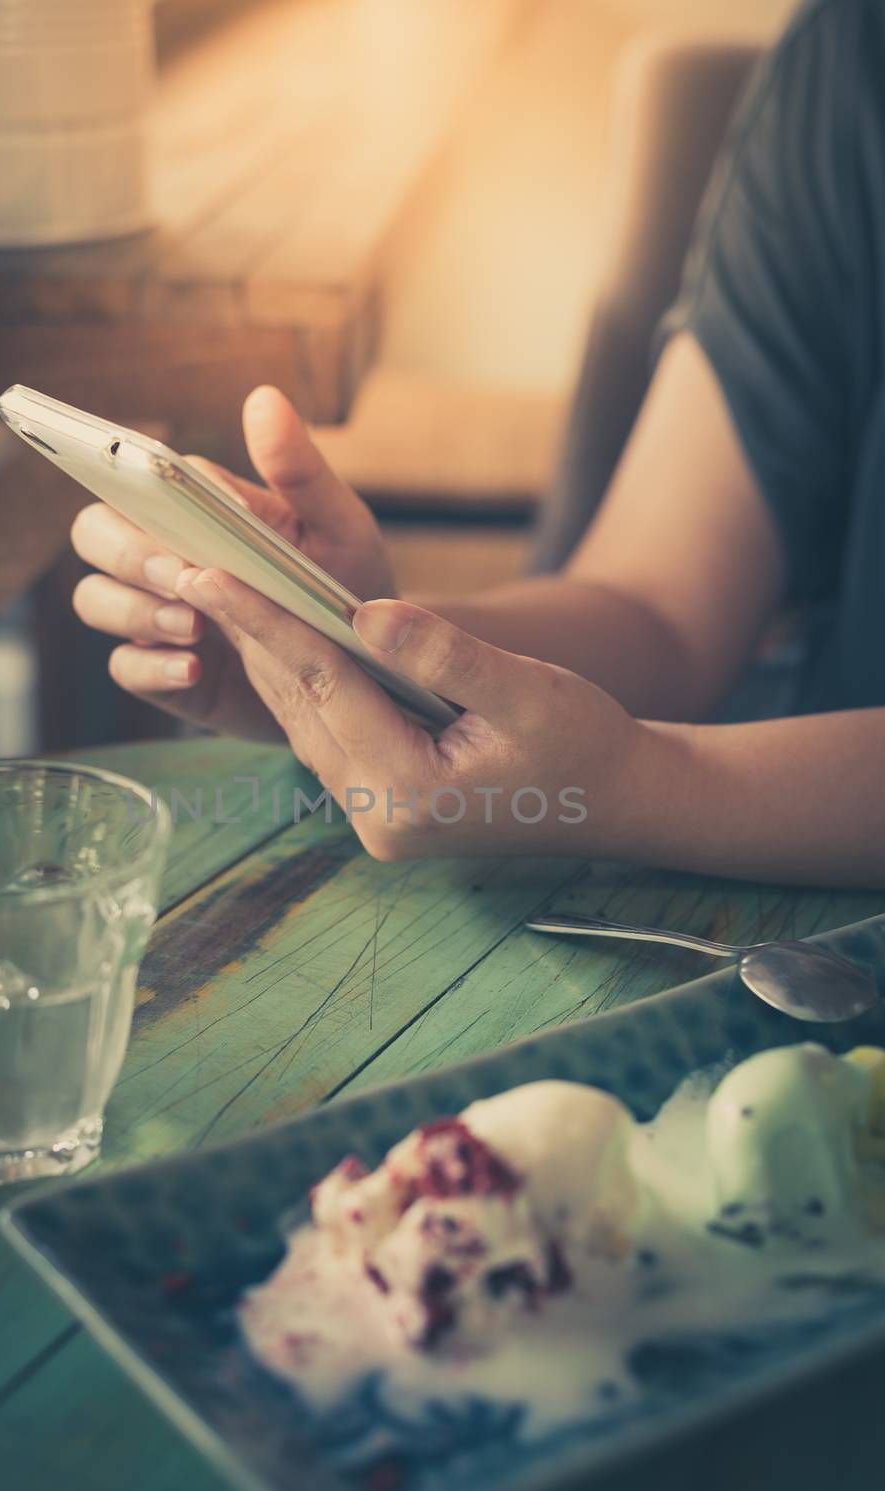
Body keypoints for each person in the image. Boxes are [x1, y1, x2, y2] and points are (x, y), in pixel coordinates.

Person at [68, 0, 885, 888]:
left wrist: (642, 787)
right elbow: (661, 614)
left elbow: (644, 749)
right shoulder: (849, 61)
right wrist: (360, 643)